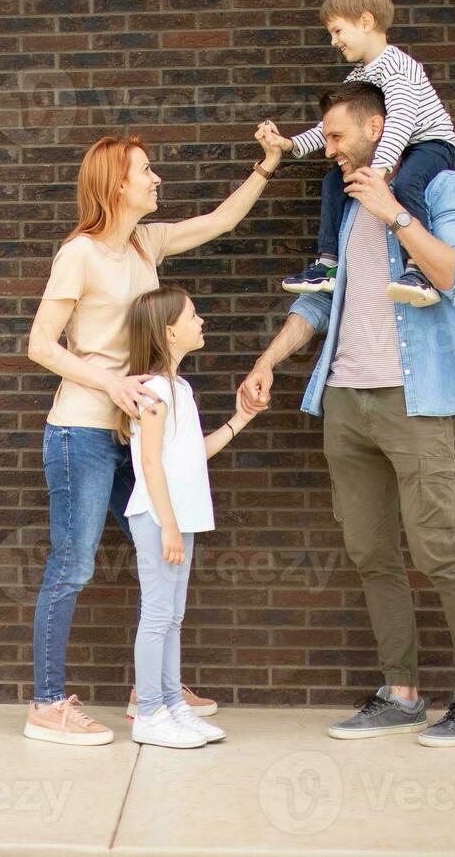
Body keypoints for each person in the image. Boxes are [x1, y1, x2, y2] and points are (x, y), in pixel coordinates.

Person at [242, 82, 455, 748]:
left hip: (413, 401)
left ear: (377, 127)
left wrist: (393, 212)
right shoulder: (347, 206)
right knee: (368, 550)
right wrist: (268, 361)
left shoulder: (441, 189)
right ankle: (401, 691)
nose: (326, 150)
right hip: (345, 400)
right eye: (323, 139)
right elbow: (321, 300)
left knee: (435, 547)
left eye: (335, 137)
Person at [23, 126, 283, 746]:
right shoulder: (79, 254)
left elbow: (221, 219)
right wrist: (111, 385)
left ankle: (155, 692)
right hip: (83, 431)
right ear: (116, 183)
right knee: (74, 564)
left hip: (133, 434)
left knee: (159, 558)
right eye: (145, 170)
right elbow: (39, 345)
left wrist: (268, 167)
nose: (156, 178)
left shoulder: (146, 244)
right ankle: (47, 703)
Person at [115, 285, 259, 748]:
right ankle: (150, 713)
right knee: (157, 615)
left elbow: (195, 452)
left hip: (180, 520)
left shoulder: (179, 388)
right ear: (169, 330)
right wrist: (170, 525)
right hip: (159, 520)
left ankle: (173, 706)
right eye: (194, 316)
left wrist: (240, 419)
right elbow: (151, 463)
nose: (202, 322)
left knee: (173, 616)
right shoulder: (153, 391)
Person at [274, 0, 455, 308]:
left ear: (365, 21)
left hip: (432, 142)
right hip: (401, 146)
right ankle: (328, 264)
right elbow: (329, 128)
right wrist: (290, 144)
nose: (333, 41)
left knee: (406, 182)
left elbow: (400, 122)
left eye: (336, 31)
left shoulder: (400, 67)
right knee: (334, 180)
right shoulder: (358, 79)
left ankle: (419, 271)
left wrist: (378, 172)